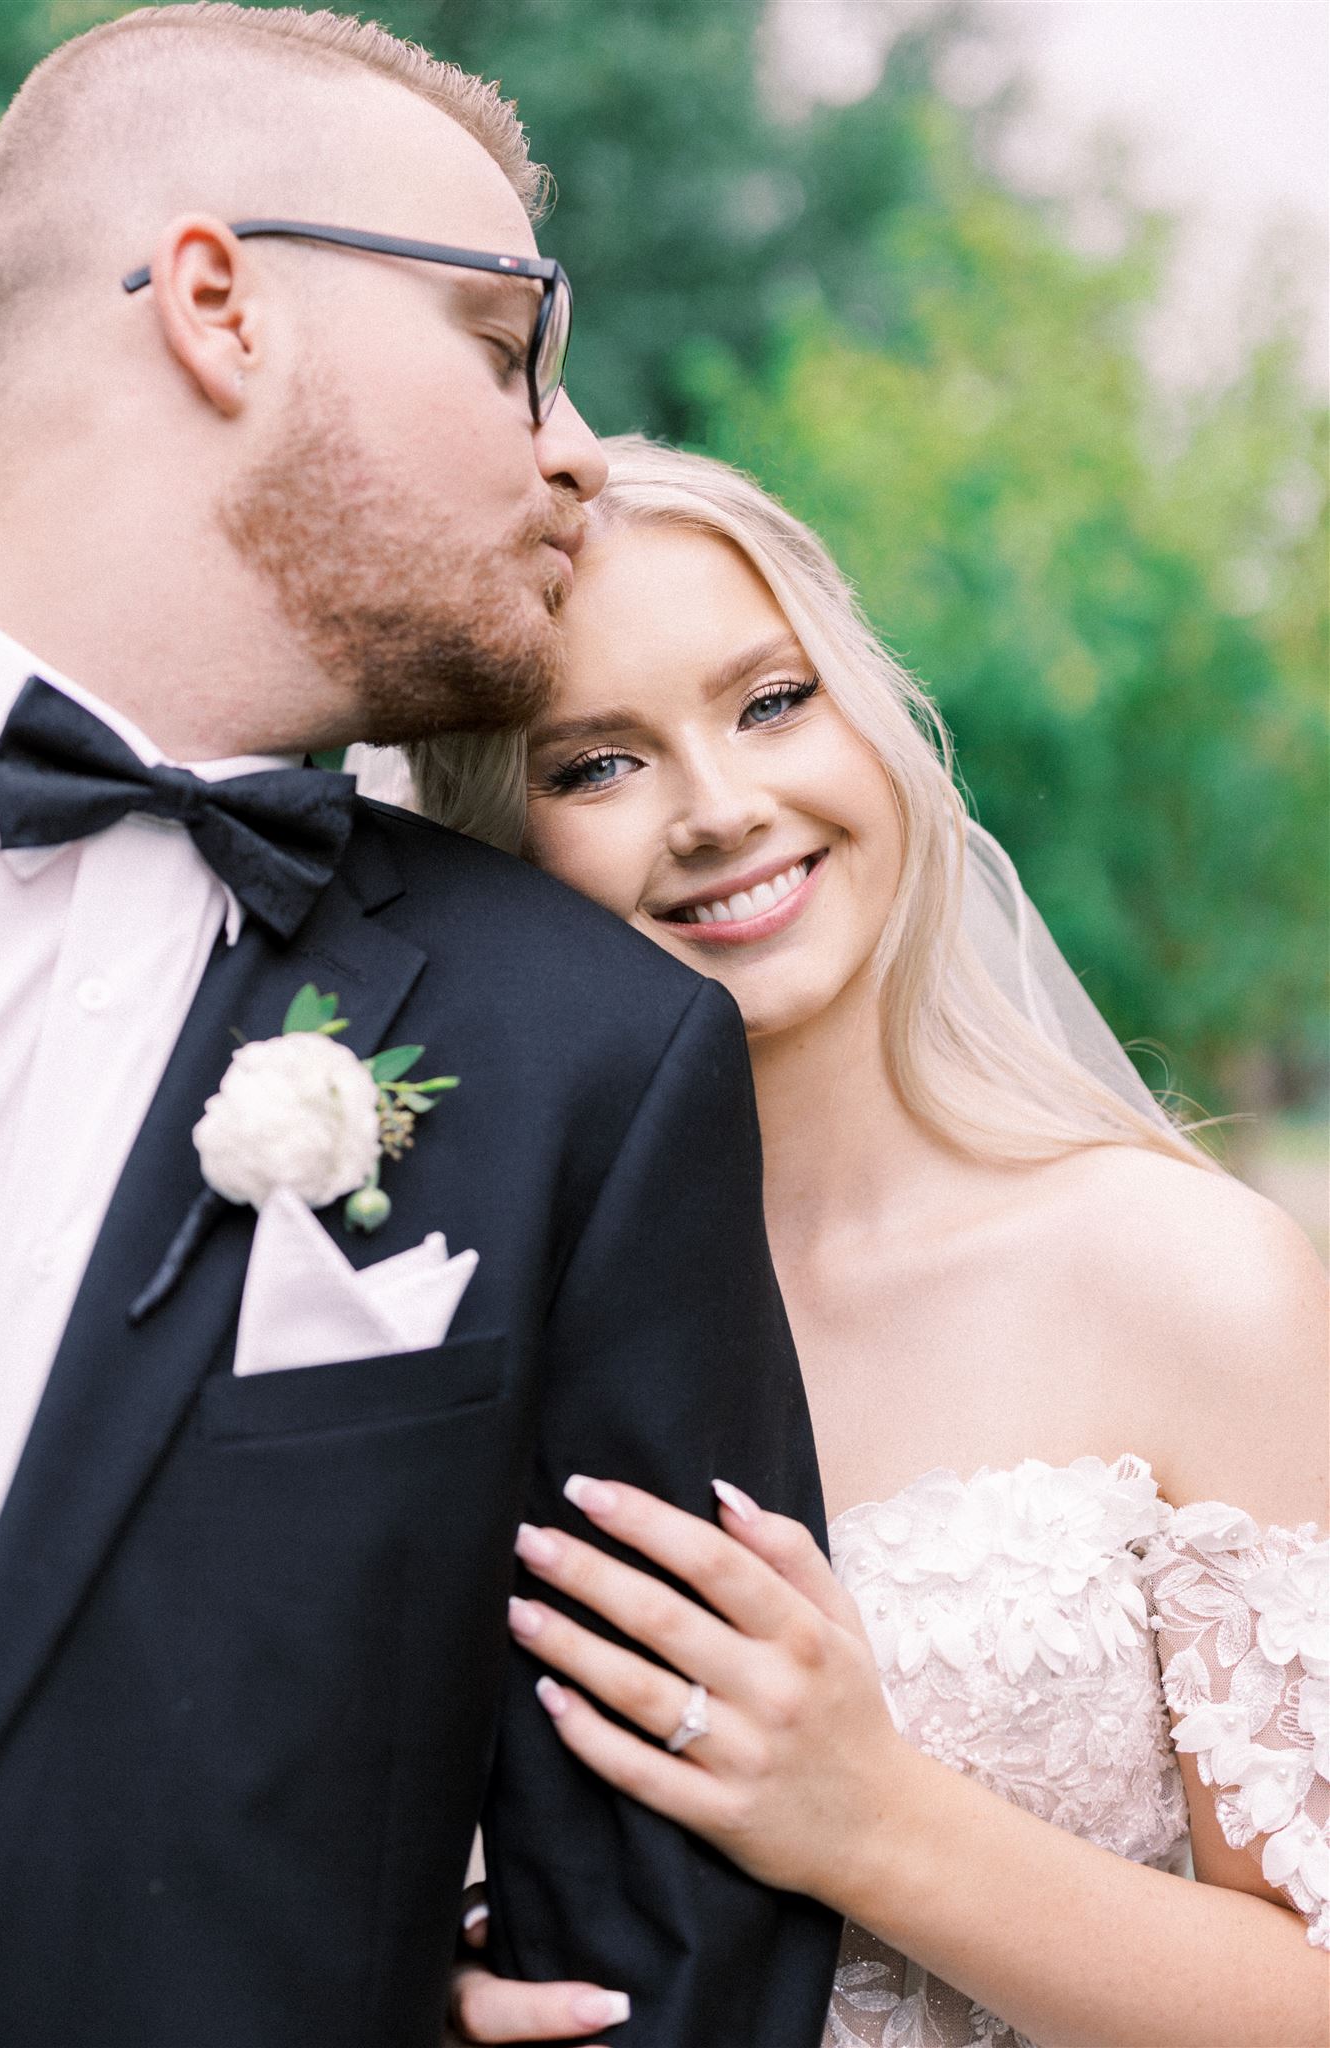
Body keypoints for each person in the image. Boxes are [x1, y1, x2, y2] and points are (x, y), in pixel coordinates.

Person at [0, 16, 842, 2046]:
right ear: (218, 307)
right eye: (500, 341)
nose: (575, 444)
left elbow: (666, 1961)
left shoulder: (585, 1062)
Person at [397, 439, 1329, 2048]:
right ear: (493, 842)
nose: (718, 809)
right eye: (592, 765)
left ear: (873, 722)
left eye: (769, 702)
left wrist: (872, 1819)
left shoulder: (1190, 1284)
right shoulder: (434, 1324)